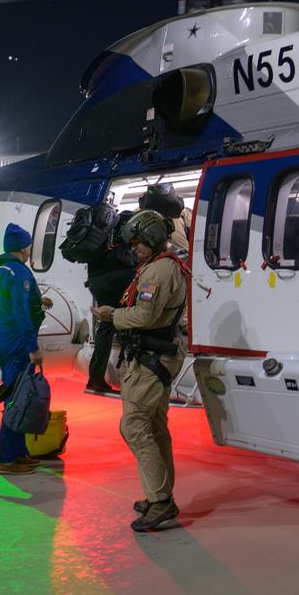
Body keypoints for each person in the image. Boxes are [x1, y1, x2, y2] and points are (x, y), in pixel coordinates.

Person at [93, 209, 186, 532]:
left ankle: (160, 501)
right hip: (157, 355)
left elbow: (145, 316)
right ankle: (159, 493)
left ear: (151, 239)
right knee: (155, 428)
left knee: (134, 426)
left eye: (136, 243)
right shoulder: (162, 266)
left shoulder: (156, 273)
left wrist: (111, 316)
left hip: (151, 358)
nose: (132, 249)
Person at [0, 223, 52, 475]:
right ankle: (7, 459)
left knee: (20, 395)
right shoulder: (19, 273)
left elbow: (5, 301)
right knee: (17, 400)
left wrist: (38, 299)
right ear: (24, 248)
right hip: (16, 342)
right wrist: (33, 347)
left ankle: (19, 453)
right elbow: (21, 313)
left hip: (2, 337)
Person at [81, 210, 136, 396]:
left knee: (106, 326)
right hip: (115, 286)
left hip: (98, 285)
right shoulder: (125, 238)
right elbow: (128, 261)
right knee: (123, 320)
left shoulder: (103, 236)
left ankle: (95, 379)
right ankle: (131, 374)